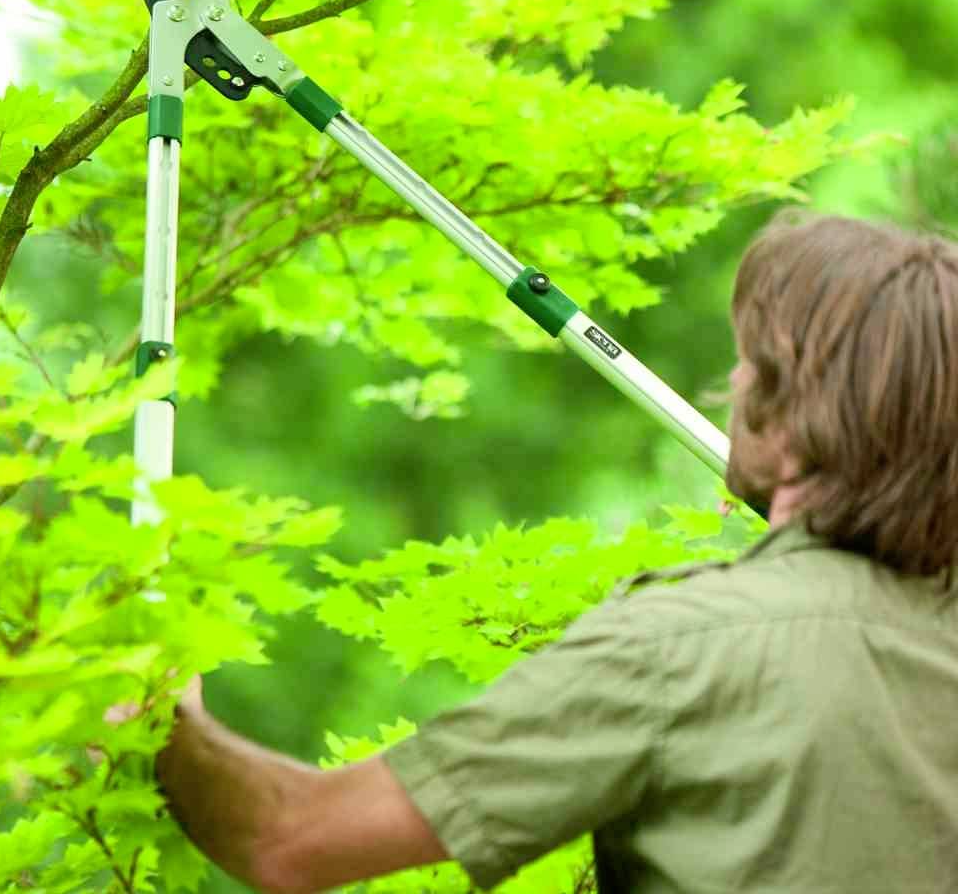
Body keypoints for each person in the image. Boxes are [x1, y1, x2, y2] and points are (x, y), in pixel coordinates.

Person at [154, 211, 958, 893]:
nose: (734, 384)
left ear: (793, 425)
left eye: (753, 367)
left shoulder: (682, 649)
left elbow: (290, 838)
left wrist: (169, 717)